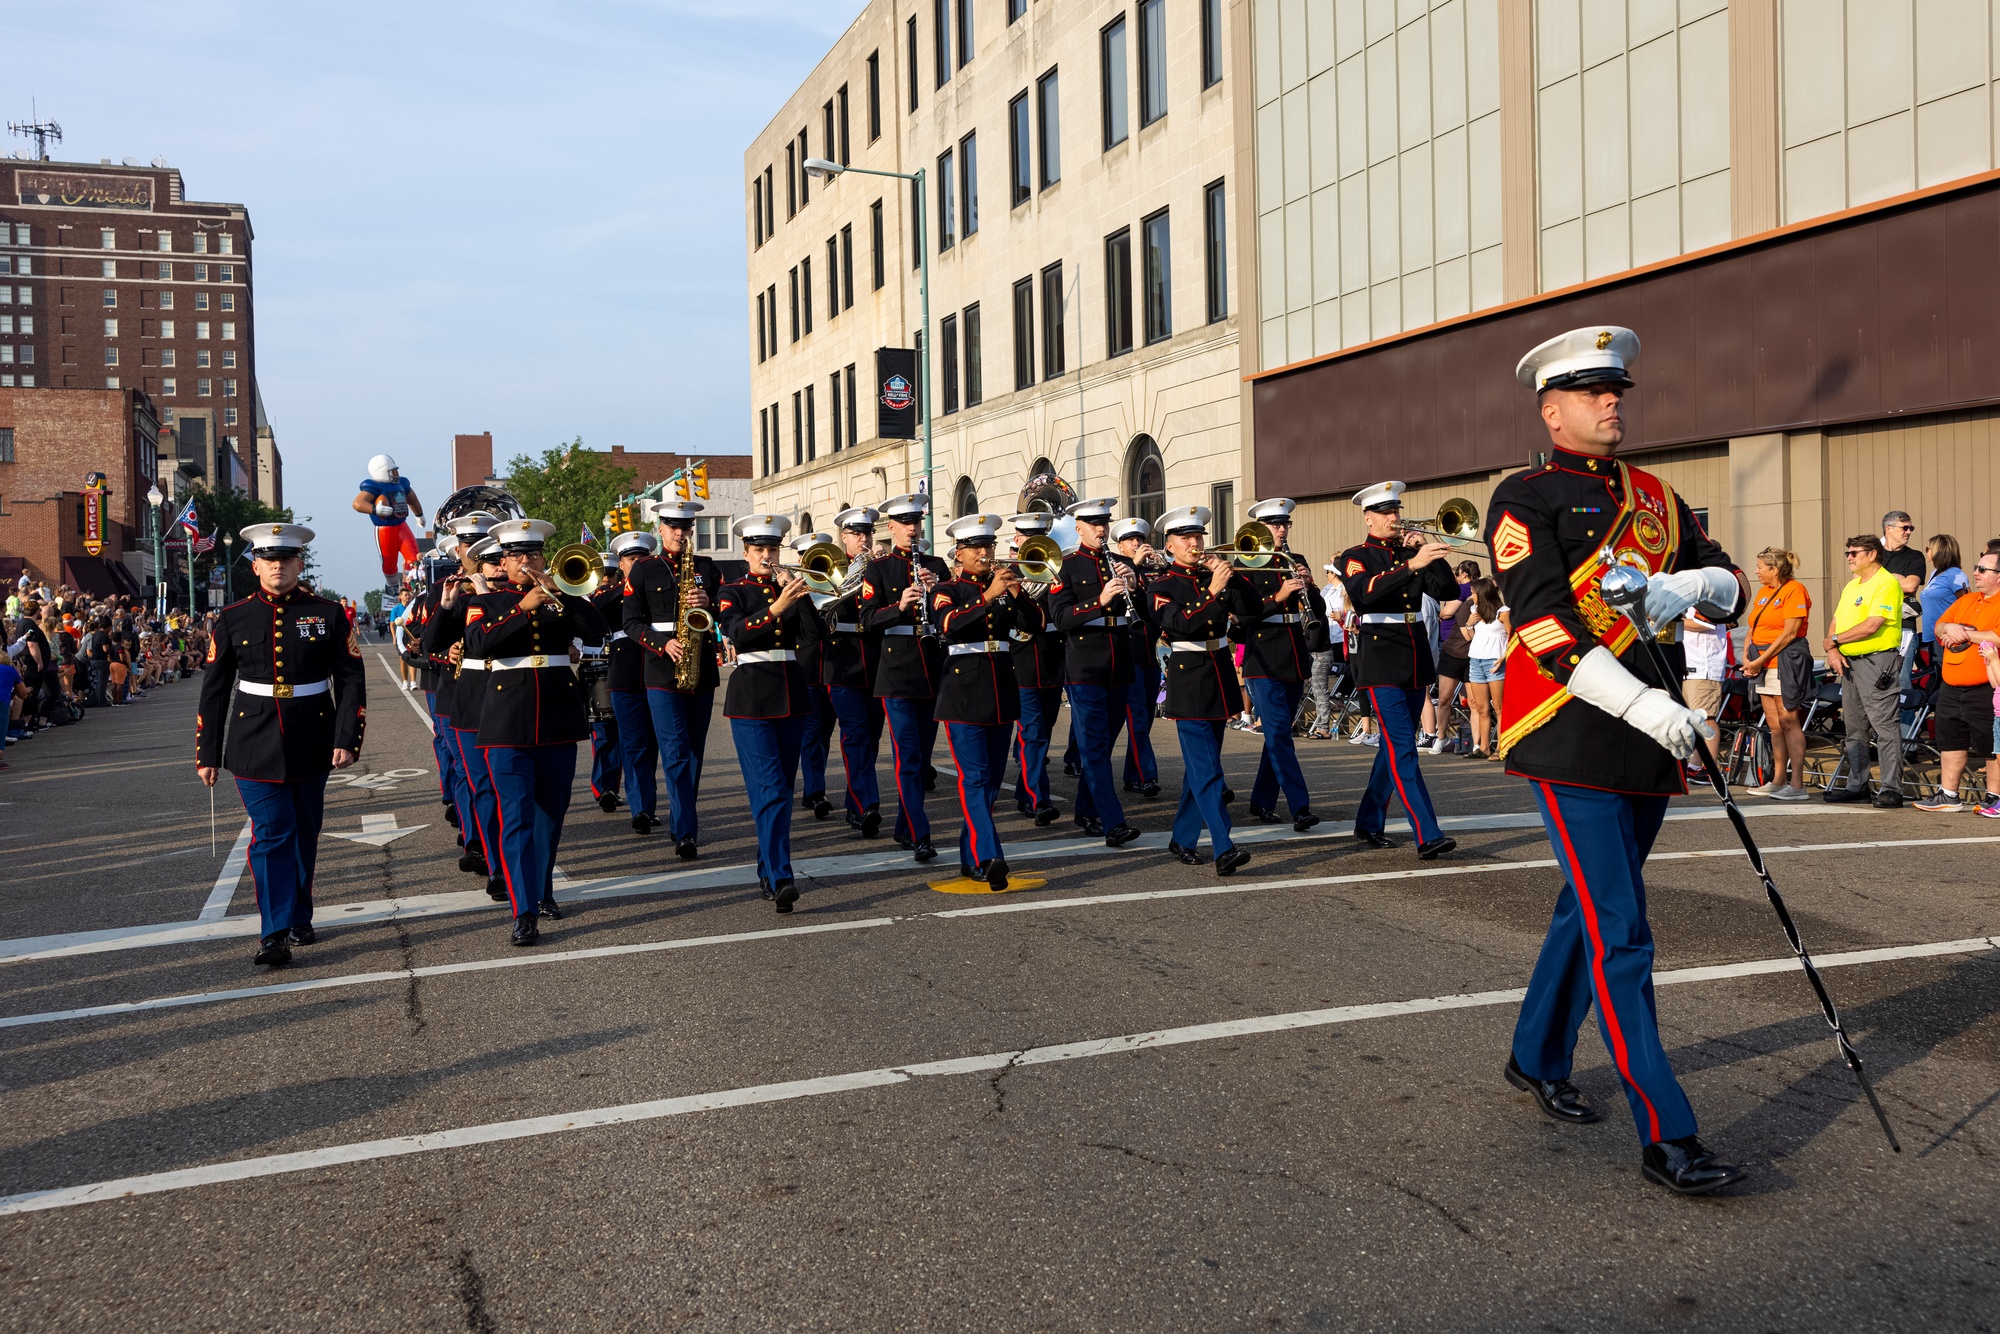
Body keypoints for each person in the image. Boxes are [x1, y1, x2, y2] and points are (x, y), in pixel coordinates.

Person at [1488, 324, 1750, 1195]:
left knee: (1587, 911)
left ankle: (1534, 1055)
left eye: (1619, 391)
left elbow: (1733, 585)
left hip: (1649, 739)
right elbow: (1544, 624)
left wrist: (1691, 587)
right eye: (1595, 392)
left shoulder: (1658, 499)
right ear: (1551, 407)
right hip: (1573, 733)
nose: (1613, 402)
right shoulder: (1525, 498)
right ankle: (1667, 1132)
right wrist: (1642, 701)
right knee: (1621, 930)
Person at [196, 523, 367, 967]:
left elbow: (350, 681)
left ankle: (297, 913)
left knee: (303, 833)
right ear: (255, 566)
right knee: (272, 833)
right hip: (253, 738)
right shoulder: (233, 617)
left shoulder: (329, 613)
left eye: (286, 559)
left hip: (312, 734)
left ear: (299, 564)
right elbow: (215, 689)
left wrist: (347, 737)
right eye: (269, 560)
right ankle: (273, 932)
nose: (277, 566)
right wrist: (207, 753)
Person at [463, 517, 606, 945]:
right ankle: (523, 910)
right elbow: (478, 644)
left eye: (534, 554)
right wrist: (523, 607)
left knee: (551, 814)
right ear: (503, 562)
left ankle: (543, 891)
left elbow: (596, 631)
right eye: (517, 555)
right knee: (517, 817)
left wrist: (565, 593)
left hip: (559, 717)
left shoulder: (563, 595)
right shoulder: (488, 600)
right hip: (507, 720)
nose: (526, 561)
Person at [1337, 481, 1459, 858]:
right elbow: (1363, 593)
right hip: (1378, 657)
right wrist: (1411, 565)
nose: (1394, 518)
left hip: (1413, 652)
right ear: (1369, 518)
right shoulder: (1356, 555)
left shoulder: (1410, 552)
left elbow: (1447, 591)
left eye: (1397, 511)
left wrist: (1429, 553)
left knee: (1392, 746)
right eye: (1386, 513)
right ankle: (1427, 832)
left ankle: (1369, 821)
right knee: (1403, 745)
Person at [717, 514, 821, 911]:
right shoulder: (734, 589)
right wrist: (777, 607)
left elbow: (814, 636)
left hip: (791, 694)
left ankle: (767, 866)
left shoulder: (789, 589)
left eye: (773, 549)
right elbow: (737, 633)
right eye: (759, 549)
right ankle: (781, 876)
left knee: (780, 790)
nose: (767, 556)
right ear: (745, 553)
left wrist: (802, 597)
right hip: (752, 698)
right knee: (771, 789)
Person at [932, 514, 1034, 888]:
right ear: (959, 554)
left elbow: (1034, 625)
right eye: (976, 547)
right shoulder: (947, 589)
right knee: (973, 780)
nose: (985, 552)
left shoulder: (1004, 588)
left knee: (990, 781)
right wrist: (989, 594)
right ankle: (990, 855)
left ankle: (970, 856)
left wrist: (1018, 592)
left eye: (989, 545)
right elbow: (948, 625)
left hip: (1000, 689)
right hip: (962, 692)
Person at [1151, 505, 1254, 876]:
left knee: (1201, 768)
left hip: (1219, 674)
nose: (1195, 544)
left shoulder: (1212, 577)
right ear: (1170, 545)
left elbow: (1252, 611)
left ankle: (1182, 837)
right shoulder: (1162, 585)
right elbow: (1177, 625)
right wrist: (1213, 591)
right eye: (1187, 538)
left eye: (1198, 537)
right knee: (1208, 769)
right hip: (1189, 677)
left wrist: (1234, 577)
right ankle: (1224, 846)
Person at [856, 493, 951, 862]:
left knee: (922, 758)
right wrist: (899, 607)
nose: (913, 529)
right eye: (905, 523)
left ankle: (903, 824)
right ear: (891, 527)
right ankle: (918, 832)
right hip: (896, 672)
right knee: (908, 757)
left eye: (917, 523)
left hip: (932, 668)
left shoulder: (936, 565)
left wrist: (935, 590)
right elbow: (866, 620)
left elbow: (953, 615)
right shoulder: (877, 570)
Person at [624, 499, 720, 860]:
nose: (680, 534)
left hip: (703, 670)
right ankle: (685, 831)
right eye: (673, 527)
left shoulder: (707, 569)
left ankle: (684, 819)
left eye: (686, 528)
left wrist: (709, 601)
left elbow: (726, 616)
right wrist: (663, 644)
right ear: (661, 529)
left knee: (694, 753)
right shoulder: (645, 569)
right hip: (663, 671)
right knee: (676, 753)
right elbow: (631, 623)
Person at [1048, 497, 1143, 847]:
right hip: (1085, 666)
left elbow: (1147, 613)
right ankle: (1112, 821)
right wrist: (1098, 601)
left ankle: (1085, 810)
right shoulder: (1066, 565)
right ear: (1079, 527)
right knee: (1092, 746)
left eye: (1104, 521)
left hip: (1119, 664)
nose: (1100, 527)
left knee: (1103, 748)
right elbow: (1060, 618)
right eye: (1092, 522)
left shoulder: (1119, 561)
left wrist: (1135, 586)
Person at [426, 522, 510, 901]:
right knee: (482, 787)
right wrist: (447, 617)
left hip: (511, 700)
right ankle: (492, 862)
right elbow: (427, 644)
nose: (492, 571)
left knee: (510, 790)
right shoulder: (455, 597)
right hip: (464, 698)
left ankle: (509, 860)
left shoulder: (522, 597)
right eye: (484, 563)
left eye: (497, 563)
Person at [1237, 498, 1321, 830]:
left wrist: (1309, 585)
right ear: (1261, 528)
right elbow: (1243, 617)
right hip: (1263, 658)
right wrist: (1277, 597)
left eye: (1285, 524)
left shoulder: (1295, 560)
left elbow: (1316, 609)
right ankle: (1300, 806)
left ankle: (1261, 801)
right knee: (1279, 737)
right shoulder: (1247, 564)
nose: (1281, 530)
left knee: (1278, 734)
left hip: (1293, 654)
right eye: (1275, 524)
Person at [1823, 534, 1908, 808]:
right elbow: (1837, 621)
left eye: (1854, 552)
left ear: (1872, 554)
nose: (1849, 557)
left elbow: (1873, 624)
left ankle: (1892, 788)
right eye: (1847, 552)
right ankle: (1857, 784)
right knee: (1854, 727)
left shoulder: (1886, 583)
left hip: (1876, 661)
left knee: (1884, 726)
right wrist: (1833, 649)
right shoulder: (1851, 586)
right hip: (1849, 662)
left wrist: (1834, 642)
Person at [1917, 549, 2000, 812]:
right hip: (1952, 686)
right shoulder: (1967, 600)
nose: (1975, 572)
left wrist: (1961, 633)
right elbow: (1940, 626)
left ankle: (1994, 797)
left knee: (1990, 745)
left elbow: (1997, 636)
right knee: (1950, 740)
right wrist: (1949, 629)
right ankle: (1948, 795)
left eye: (1983, 569)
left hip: (1986, 687)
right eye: (1976, 567)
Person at [822, 506, 886, 837]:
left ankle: (854, 801)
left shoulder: (880, 570)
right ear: (843, 537)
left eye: (867, 533)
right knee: (856, 736)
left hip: (876, 663)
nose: (863, 539)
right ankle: (866, 806)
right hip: (843, 665)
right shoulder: (827, 569)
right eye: (857, 534)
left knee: (871, 739)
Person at [1006, 511, 1068, 825]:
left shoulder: (1055, 569)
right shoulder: (1007, 574)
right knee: (1033, 735)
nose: (1034, 543)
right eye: (1027, 537)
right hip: (1022, 663)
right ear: (1017, 539)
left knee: (1042, 733)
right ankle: (1037, 799)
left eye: (1040, 536)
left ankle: (1023, 791)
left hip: (1052, 660)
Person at [1739, 548, 1814, 801]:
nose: (1756, 571)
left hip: (1784, 660)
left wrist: (1760, 659)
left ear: (1775, 569)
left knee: (1788, 720)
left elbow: (1790, 632)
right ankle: (1778, 779)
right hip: (1762, 661)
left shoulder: (1794, 590)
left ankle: (1797, 784)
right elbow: (1753, 625)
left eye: (1761, 566)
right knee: (1773, 724)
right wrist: (1746, 655)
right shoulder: (1763, 592)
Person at [606, 529, 661, 834]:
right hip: (626, 677)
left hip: (660, 673)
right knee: (635, 743)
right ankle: (641, 808)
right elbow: (595, 608)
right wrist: (629, 585)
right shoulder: (612, 592)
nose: (637, 563)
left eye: (642, 558)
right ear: (621, 563)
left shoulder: (659, 587)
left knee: (656, 744)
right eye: (630, 559)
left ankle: (646, 804)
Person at [1110, 516, 1163, 799]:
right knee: (1137, 717)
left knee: (1146, 718)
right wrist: (1135, 568)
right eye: (1131, 541)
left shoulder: (1152, 572)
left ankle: (1133, 774)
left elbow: (1154, 608)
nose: (1137, 544)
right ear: (1120, 545)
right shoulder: (1115, 567)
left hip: (1150, 652)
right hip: (1127, 653)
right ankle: (1145, 775)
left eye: (1140, 540)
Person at [788, 529, 839, 822]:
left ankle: (813, 786)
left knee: (823, 735)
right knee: (811, 734)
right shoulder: (793, 595)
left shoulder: (835, 587)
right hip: (806, 671)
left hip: (833, 670)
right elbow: (806, 631)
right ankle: (815, 792)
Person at [351, 454, 425, 589]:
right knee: (390, 561)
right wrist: (375, 509)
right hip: (385, 528)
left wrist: (419, 514)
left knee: (414, 557)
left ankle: (412, 585)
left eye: (396, 470)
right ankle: (391, 585)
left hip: (402, 524)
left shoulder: (402, 483)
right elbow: (358, 503)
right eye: (392, 471)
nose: (396, 473)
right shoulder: (374, 486)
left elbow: (412, 499)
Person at [1428, 561, 1478, 753]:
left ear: (1463, 574)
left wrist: (1440, 614)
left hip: (1466, 649)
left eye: (1457, 573)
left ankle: (1474, 742)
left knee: (1456, 700)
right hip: (1454, 649)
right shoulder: (1465, 593)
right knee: (1448, 698)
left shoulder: (1464, 591)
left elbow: (1447, 612)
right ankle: (1442, 737)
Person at [1462, 578, 1510, 759]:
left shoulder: (1503, 612)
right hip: (1476, 660)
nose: (1471, 596)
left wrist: (1503, 657)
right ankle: (1483, 747)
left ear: (1483, 593)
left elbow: (1513, 636)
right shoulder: (1474, 610)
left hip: (1494, 662)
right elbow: (1471, 637)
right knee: (1481, 707)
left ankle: (1501, 747)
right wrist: (1469, 624)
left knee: (1499, 707)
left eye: (1474, 592)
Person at [1918, 534, 1967, 663]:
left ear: (1939, 552)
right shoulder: (1935, 574)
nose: (1927, 552)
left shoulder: (1955, 574)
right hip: (1932, 635)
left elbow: (1966, 603)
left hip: (1945, 636)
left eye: (1928, 548)